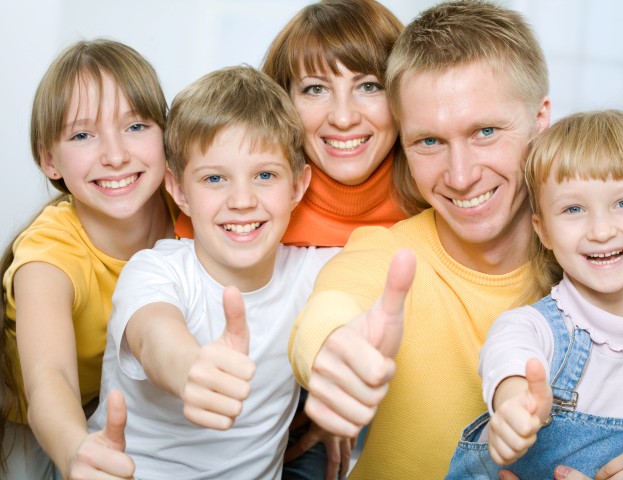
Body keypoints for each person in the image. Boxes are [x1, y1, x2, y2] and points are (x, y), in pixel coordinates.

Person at [288, 1, 552, 478]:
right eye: (428, 142)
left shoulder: (597, 255)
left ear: (540, 120)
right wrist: (336, 353)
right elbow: (331, 308)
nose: (460, 175)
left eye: (485, 132)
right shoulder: (385, 252)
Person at [173, 1, 408, 477]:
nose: (343, 117)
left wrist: (337, 402)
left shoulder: (429, 192)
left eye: (368, 86)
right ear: (281, 99)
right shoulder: (246, 201)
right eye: (316, 89)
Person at [87, 65, 340, 479]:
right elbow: (154, 336)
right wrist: (192, 370)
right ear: (179, 190)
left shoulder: (317, 273)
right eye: (215, 178)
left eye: (264, 175)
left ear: (297, 186)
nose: (242, 200)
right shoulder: (156, 269)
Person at [446, 110, 623, 479]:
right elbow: (508, 359)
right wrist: (515, 406)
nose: (600, 230)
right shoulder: (532, 328)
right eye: (573, 209)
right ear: (544, 231)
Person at [0, 39, 174, 479]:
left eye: (136, 127)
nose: (115, 155)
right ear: (49, 159)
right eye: (82, 135)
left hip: (108, 397)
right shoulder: (48, 255)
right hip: (30, 417)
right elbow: (50, 378)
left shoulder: (188, 209)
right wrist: (76, 448)